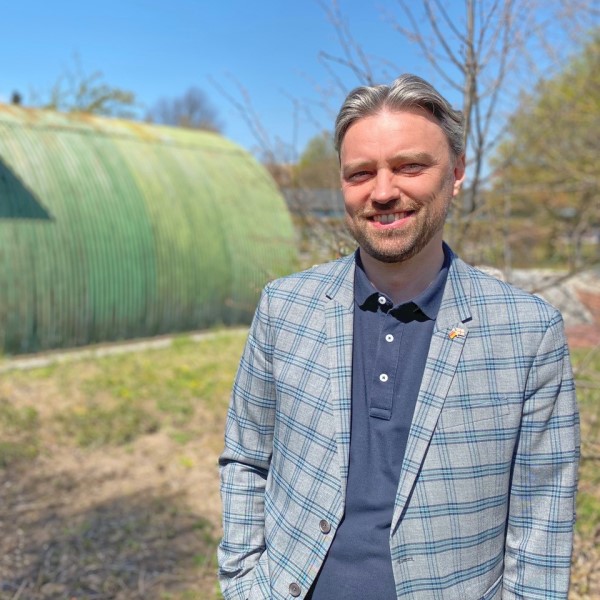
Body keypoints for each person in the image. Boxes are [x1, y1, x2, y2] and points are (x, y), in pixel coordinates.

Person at [218, 74, 580, 600]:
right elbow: (247, 457)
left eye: (410, 166)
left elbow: (541, 513)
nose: (383, 191)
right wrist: (243, 584)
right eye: (361, 172)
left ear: (456, 173)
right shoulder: (284, 306)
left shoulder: (527, 333)